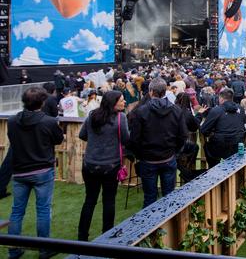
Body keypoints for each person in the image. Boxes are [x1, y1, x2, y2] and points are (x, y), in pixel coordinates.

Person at [7, 87, 64, 259]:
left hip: (21, 171)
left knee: (17, 212)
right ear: (42, 102)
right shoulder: (47, 122)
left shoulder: (12, 121)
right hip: (41, 171)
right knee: (42, 210)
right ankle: (44, 249)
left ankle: (14, 250)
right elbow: (59, 139)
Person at [77, 91, 129, 241]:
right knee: (108, 200)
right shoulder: (120, 118)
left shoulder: (93, 115)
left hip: (90, 164)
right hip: (110, 166)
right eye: (121, 100)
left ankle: (82, 236)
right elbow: (126, 139)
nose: (124, 102)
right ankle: (107, 235)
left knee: (90, 200)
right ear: (113, 102)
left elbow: (83, 135)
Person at [128, 78, 187, 208]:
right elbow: (134, 139)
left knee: (160, 197)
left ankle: (164, 226)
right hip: (152, 159)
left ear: (151, 92)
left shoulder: (174, 110)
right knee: (155, 197)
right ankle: (153, 228)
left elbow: (183, 135)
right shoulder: (142, 112)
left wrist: (174, 152)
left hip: (164, 157)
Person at [200, 88, 246, 167]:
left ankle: (213, 171)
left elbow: (204, 129)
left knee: (209, 149)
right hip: (236, 142)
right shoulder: (240, 109)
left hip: (220, 145)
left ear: (221, 98)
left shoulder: (217, 110)